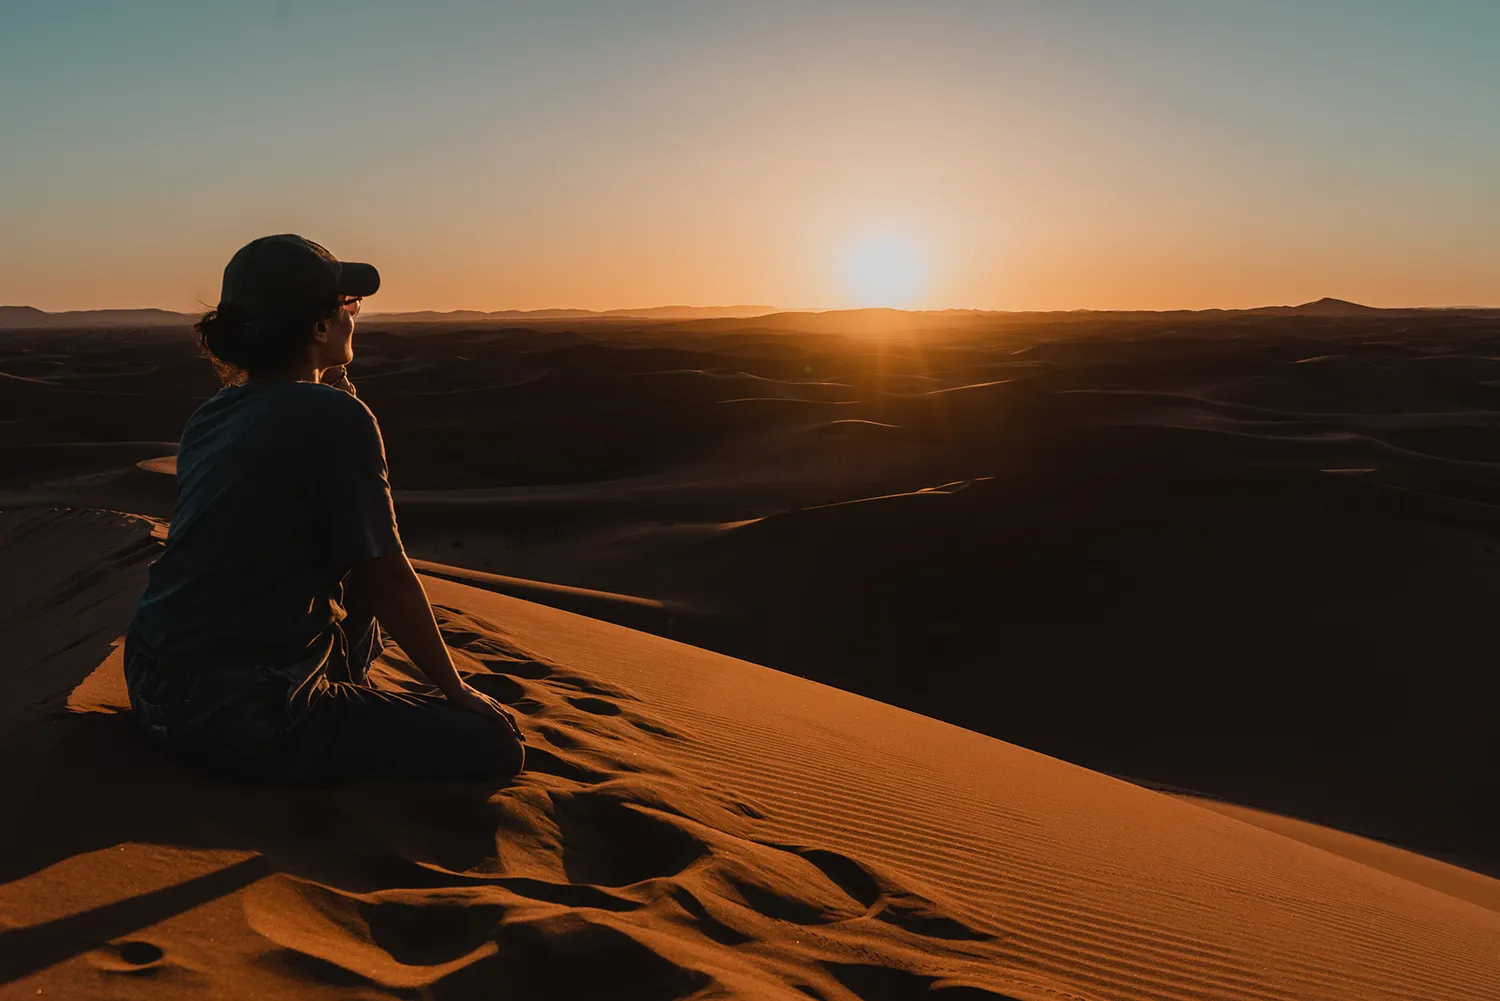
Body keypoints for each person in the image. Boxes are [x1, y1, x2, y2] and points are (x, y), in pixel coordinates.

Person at [123, 234, 525, 785]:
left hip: (152, 682)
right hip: (237, 709)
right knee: (494, 746)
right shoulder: (335, 418)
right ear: (318, 327)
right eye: (347, 306)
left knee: (345, 582)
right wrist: (455, 691)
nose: (354, 318)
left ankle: (338, 699)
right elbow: (384, 576)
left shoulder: (211, 415)